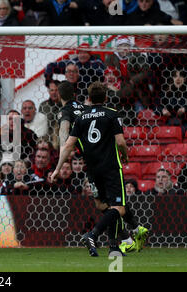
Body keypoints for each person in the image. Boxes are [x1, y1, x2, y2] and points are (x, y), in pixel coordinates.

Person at [50, 81, 131, 257]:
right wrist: (124, 155)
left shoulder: (81, 117)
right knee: (119, 208)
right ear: (106, 97)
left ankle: (113, 247)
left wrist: (57, 169)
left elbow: (68, 145)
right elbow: (121, 142)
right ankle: (93, 234)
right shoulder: (111, 114)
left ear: (89, 98)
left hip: (92, 169)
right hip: (110, 167)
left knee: (107, 206)